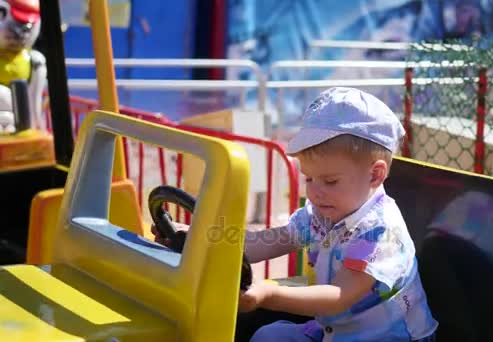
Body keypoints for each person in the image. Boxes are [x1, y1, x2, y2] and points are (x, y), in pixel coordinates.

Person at [155, 87, 438, 341]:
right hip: (338, 329)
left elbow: (339, 297)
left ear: (375, 175)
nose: (314, 192)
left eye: (329, 181)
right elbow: (265, 241)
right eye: (308, 179)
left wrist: (267, 294)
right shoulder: (323, 213)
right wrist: (199, 238)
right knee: (268, 336)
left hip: (387, 337)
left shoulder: (379, 231)